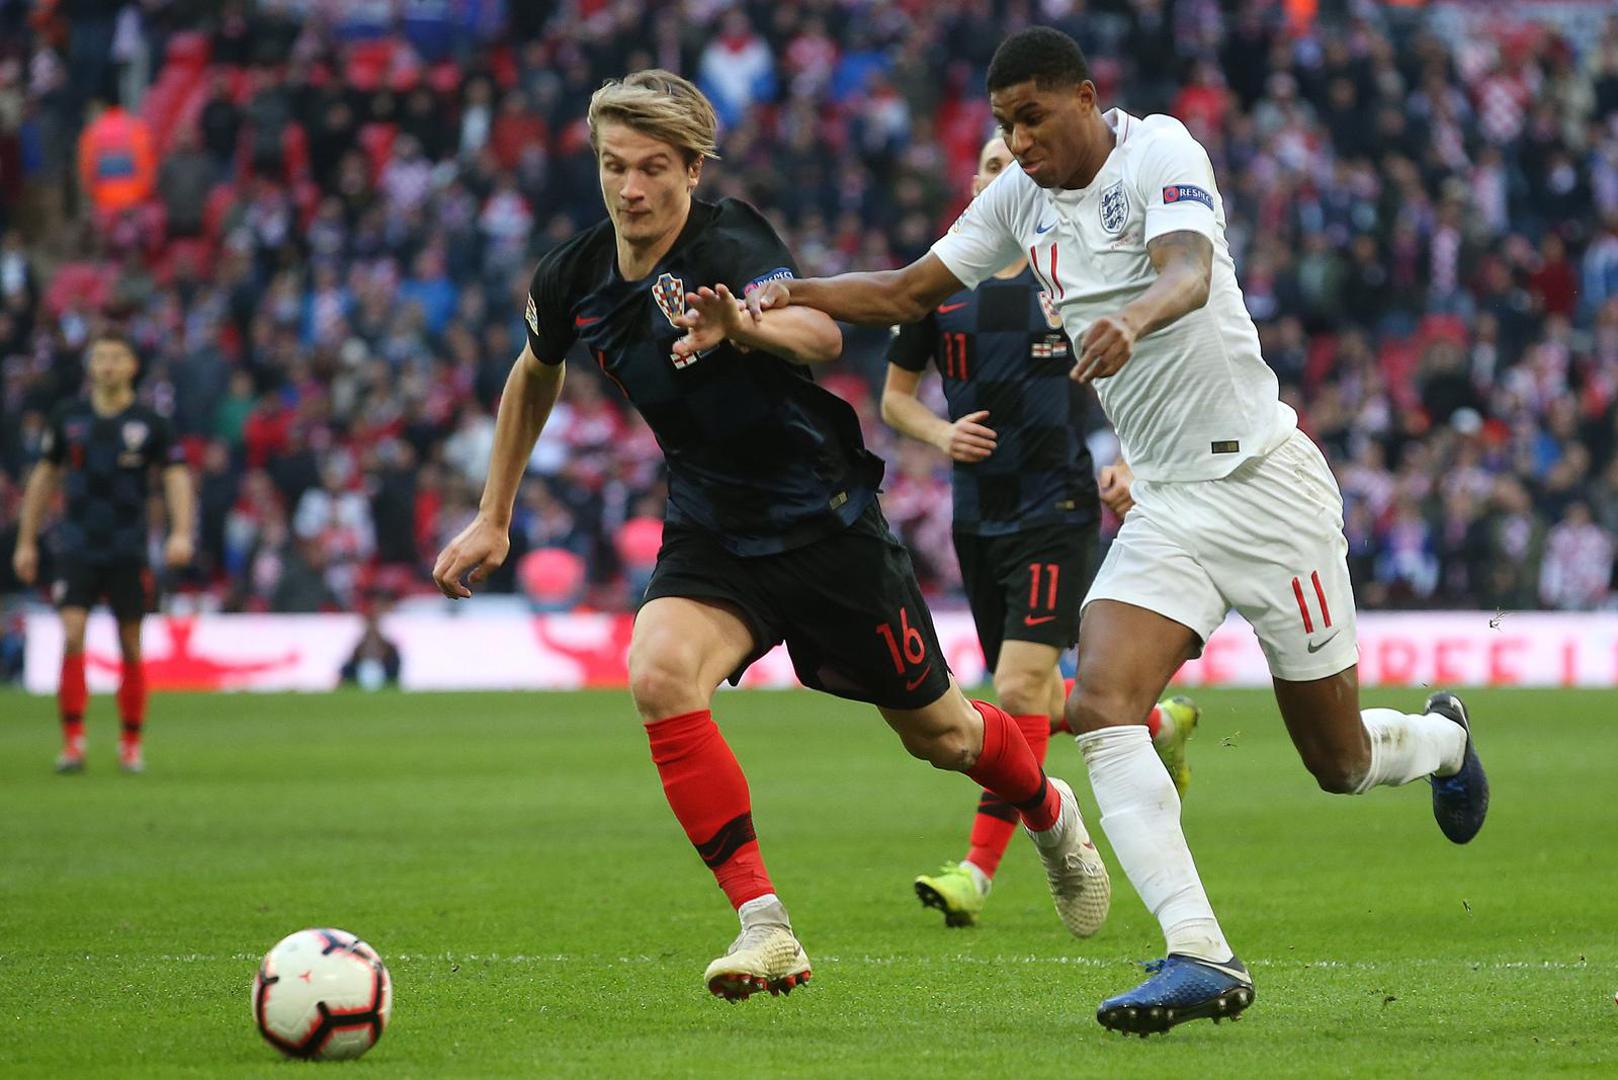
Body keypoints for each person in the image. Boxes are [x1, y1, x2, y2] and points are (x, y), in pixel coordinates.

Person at [748, 27, 1489, 1034]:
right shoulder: (1017, 198)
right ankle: (1198, 954)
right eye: (1003, 124)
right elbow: (907, 293)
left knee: (1337, 762)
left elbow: (1185, 269)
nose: (1018, 142)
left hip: (1267, 489)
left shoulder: (1162, 154)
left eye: (1033, 118)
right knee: (1099, 703)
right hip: (1168, 504)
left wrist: (1132, 320)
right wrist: (790, 292)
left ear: (1086, 99)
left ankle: (1442, 741)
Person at [431, 69, 1111, 1003]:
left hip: (823, 523)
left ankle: (1047, 806)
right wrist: (493, 513)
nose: (631, 189)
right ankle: (766, 926)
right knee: (659, 675)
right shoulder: (575, 274)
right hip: (712, 527)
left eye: (654, 169)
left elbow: (822, 338)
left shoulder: (731, 239)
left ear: (694, 169)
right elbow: (533, 372)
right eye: (613, 166)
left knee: (945, 737)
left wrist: (742, 328)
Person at [886, 134, 1200, 929]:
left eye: (1011, 165)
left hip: (1057, 508)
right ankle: (1158, 722)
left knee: (1017, 692)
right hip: (976, 514)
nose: (1003, 174)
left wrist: (1129, 459)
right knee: (1026, 697)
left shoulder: (1062, 277)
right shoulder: (938, 288)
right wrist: (938, 435)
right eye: (989, 164)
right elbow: (896, 400)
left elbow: (1134, 372)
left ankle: (978, 872)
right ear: (976, 184)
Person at [12, 331, 193, 773]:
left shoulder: (151, 423)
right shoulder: (67, 418)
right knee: (72, 633)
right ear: (90, 367)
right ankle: (73, 742)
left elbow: (175, 476)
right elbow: (43, 479)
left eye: (117, 357)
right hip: (76, 545)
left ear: (133, 366)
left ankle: (130, 744)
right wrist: (26, 539)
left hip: (128, 548)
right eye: (101, 358)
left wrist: (181, 532)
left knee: (130, 644)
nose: (108, 365)